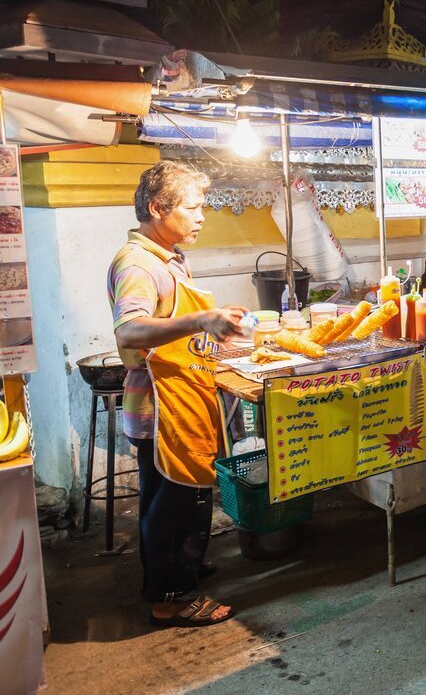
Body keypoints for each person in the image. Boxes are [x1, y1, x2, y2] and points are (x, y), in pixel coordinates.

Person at [108, 162, 247, 627]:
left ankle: (173, 570)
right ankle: (174, 596)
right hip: (160, 405)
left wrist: (216, 328)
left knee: (167, 500)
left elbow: (171, 326)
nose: (201, 216)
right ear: (156, 208)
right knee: (177, 503)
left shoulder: (168, 258)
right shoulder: (137, 264)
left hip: (177, 396)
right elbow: (130, 330)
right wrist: (201, 320)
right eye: (193, 207)